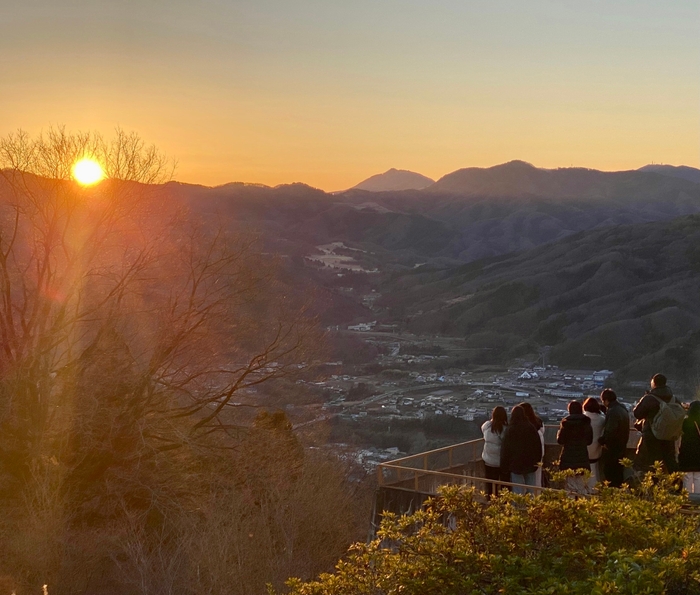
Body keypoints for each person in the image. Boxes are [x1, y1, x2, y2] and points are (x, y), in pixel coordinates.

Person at [633, 374, 678, 473]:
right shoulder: (673, 398)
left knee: (650, 464)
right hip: (668, 435)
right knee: (670, 463)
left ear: (653, 383)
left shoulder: (649, 398)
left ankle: (653, 486)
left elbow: (637, 413)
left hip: (651, 436)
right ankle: (675, 486)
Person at [501, 405, 543, 495]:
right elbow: (537, 446)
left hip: (515, 464)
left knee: (517, 491)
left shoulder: (510, 429)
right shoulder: (531, 428)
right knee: (531, 490)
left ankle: (517, 508)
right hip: (530, 464)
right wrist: (537, 462)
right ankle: (531, 507)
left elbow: (505, 449)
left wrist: (504, 465)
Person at [557, 401, 593, 492]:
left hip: (568, 457)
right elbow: (589, 441)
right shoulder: (586, 422)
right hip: (582, 456)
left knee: (570, 486)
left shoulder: (565, 423)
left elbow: (560, 441)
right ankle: (581, 504)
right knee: (581, 485)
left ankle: (571, 504)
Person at [598, 388, 630, 487]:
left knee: (610, 472)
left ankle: (612, 492)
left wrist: (602, 440)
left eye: (603, 401)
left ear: (606, 400)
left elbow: (610, 431)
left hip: (613, 448)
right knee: (619, 472)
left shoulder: (613, 412)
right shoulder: (622, 408)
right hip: (622, 445)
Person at [481, 406, 509, 497]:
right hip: (501, 461)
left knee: (490, 484)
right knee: (505, 485)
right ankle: (505, 503)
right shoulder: (505, 429)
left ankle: (491, 501)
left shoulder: (486, 426)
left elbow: (482, 429)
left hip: (488, 460)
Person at [519, 401, 545, 487]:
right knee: (536, 479)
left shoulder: (522, 425)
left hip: (524, 455)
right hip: (538, 454)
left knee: (522, 480)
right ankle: (536, 497)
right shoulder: (538, 422)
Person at [583, 397, 606, 486]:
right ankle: (594, 489)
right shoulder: (602, 419)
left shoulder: (584, 417)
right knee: (594, 469)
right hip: (596, 448)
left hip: (584, 448)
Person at [678, 401, 700, 494]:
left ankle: (687, 498)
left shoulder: (685, 422)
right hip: (699, 455)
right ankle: (698, 497)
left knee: (687, 477)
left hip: (686, 454)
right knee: (698, 477)